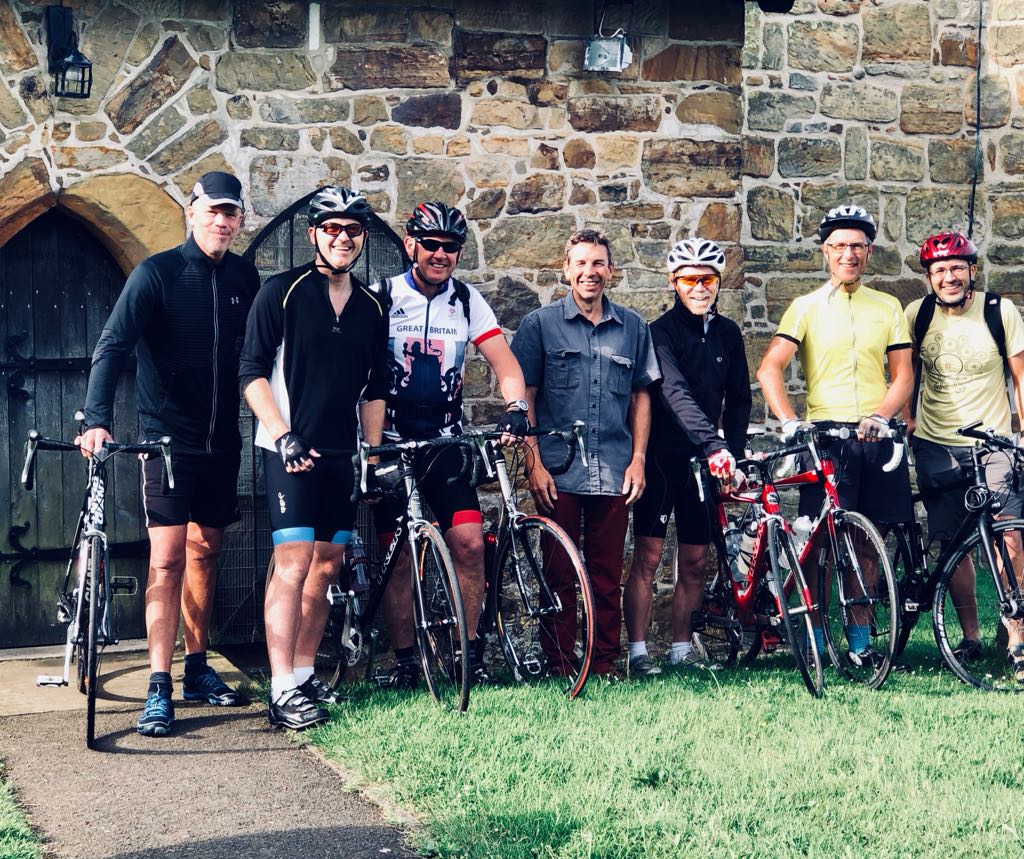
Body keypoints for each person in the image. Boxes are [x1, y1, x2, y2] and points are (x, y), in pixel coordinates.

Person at [80, 170, 259, 737]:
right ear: (192, 210)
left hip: (220, 441)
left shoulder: (243, 276)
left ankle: (197, 668)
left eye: (231, 213)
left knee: (206, 553)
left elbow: (263, 352)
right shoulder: (156, 273)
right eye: (213, 211)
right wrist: (98, 421)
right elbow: (112, 346)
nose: (222, 222)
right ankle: (159, 684)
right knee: (167, 558)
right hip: (166, 441)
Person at [239, 186, 389, 729]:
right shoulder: (281, 292)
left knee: (327, 567)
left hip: (342, 456)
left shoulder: (372, 307)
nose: (343, 238)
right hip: (290, 453)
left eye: (352, 230)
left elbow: (376, 389)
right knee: (294, 564)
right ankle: (280, 690)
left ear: (362, 238)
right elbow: (251, 373)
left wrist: (369, 457)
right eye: (332, 229)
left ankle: (303, 677)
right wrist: (282, 434)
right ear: (314, 235)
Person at [373, 202, 529, 688]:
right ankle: (404, 663)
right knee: (398, 559)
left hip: (443, 442)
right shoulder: (381, 297)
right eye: (432, 244)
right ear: (410, 244)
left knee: (467, 543)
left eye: (451, 247)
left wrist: (516, 407)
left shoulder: (466, 300)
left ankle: (467, 655)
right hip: (391, 445)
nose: (441, 254)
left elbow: (505, 365)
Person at [756, 204, 914, 663]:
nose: (849, 254)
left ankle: (860, 639)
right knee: (820, 542)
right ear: (826, 252)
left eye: (858, 246)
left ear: (869, 252)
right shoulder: (805, 308)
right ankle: (816, 635)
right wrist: (789, 422)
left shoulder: (886, 307)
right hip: (825, 438)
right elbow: (770, 369)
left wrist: (883, 415)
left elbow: (902, 377)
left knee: (869, 542)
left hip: (875, 433)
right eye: (840, 246)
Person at [511, 228, 660, 677]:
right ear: (566, 270)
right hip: (558, 470)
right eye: (580, 264)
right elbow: (526, 396)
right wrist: (533, 464)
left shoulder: (633, 327)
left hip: (614, 469)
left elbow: (641, 398)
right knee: (558, 574)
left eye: (597, 264)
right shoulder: (540, 325)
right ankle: (559, 665)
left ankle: (603, 664)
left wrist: (638, 460)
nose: (589, 272)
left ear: (610, 272)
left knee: (605, 574)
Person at [622, 238, 751, 676]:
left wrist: (731, 455)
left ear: (718, 283)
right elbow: (674, 394)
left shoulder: (729, 334)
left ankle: (680, 648)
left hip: (704, 466)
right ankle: (637, 651)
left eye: (708, 279)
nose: (700, 287)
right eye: (690, 279)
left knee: (696, 560)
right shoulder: (659, 332)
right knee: (648, 559)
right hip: (662, 458)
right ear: (675, 283)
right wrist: (713, 445)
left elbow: (737, 401)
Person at [905, 230, 1024, 678]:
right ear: (929, 277)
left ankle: (1016, 635)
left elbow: (1020, 374)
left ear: (972, 270)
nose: (949, 277)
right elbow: (906, 372)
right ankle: (971, 637)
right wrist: (907, 421)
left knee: (1008, 538)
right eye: (939, 270)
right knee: (954, 545)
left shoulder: (999, 311)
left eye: (957, 268)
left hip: (993, 443)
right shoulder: (916, 316)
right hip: (936, 445)